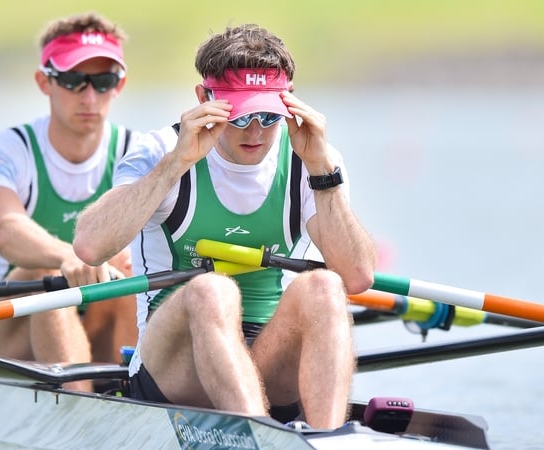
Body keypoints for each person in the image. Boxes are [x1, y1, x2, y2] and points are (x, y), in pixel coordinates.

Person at [73, 23, 375, 427]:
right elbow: (91, 246)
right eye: (240, 115)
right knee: (212, 290)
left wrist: (323, 170)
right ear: (204, 99)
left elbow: (357, 276)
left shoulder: (314, 158)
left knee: (324, 286)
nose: (256, 131)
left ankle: (327, 436)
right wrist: (176, 164)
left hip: (266, 358)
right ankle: (256, 434)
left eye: (270, 115)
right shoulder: (161, 150)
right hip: (174, 365)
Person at [0, 11, 139, 391]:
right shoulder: (3, 152)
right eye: (74, 80)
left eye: (103, 81)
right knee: (45, 278)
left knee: (130, 271)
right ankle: (80, 405)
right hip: (9, 334)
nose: (90, 97)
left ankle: (132, 393)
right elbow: (2, 229)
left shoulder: (137, 154)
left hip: (102, 323)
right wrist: (68, 256)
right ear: (44, 82)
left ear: (120, 84)